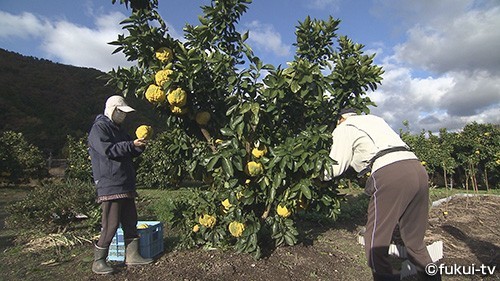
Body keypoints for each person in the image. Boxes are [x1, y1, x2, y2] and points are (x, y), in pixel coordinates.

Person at [324, 108, 441, 281]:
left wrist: (313, 175)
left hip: (391, 172)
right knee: (415, 241)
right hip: (417, 168)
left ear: (340, 118)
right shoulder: (376, 120)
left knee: (375, 241)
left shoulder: (344, 126)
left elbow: (334, 167)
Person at [88, 95, 153, 274]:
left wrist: (138, 146)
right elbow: (108, 150)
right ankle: (98, 261)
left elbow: (127, 150)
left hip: (124, 182)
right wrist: (130, 144)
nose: (123, 116)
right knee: (111, 223)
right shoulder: (99, 128)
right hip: (110, 183)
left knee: (130, 220)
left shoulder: (118, 129)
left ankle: (132, 256)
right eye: (121, 112)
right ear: (113, 110)